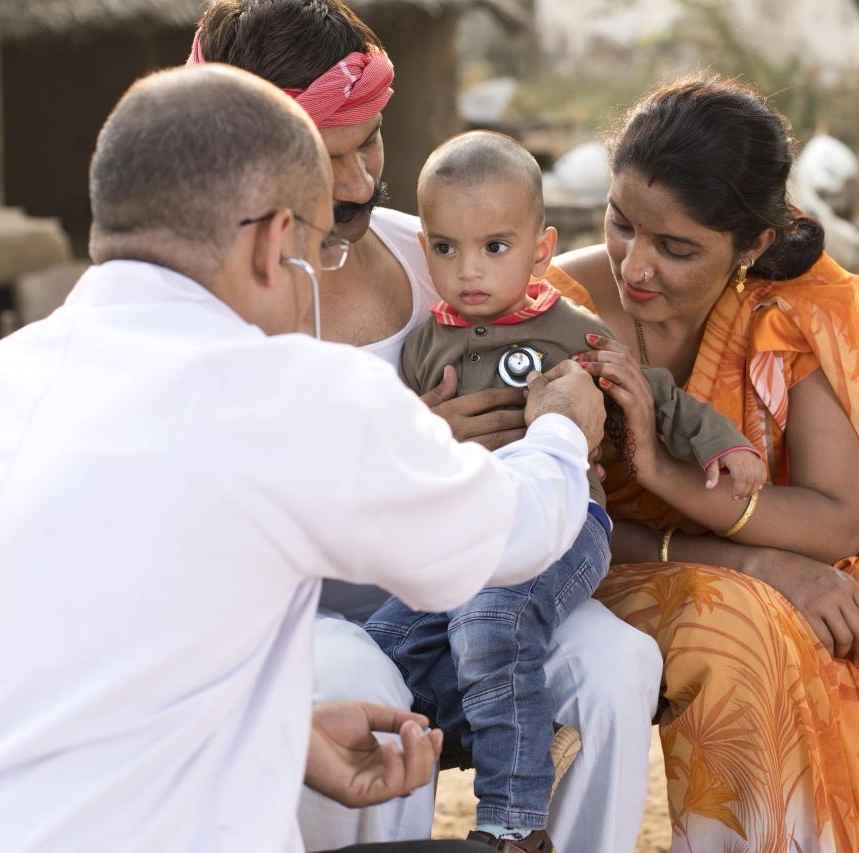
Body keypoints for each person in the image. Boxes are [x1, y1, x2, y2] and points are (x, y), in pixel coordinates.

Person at [0, 64, 607, 852]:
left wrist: (280, 734)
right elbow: (514, 535)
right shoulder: (279, 391)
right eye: (316, 252)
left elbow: (65, 666)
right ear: (276, 244)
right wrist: (563, 428)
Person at [188, 4, 664, 851]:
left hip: (481, 588)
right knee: (358, 678)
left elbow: (565, 331)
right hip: (307, 623)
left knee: (617, 664)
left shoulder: (439, 255)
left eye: (369, 142)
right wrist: (409, 454)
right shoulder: (214, 310)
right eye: (327, 158)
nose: (360, 181)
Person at [550, 73, 859, 852]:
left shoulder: (792, 305)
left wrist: (677, 482)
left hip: (743, 546)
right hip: (596, 565)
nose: (636, 267)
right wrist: (764, 565)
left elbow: (838, 516)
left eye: (676, 248)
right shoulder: (554, 309)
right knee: (746, 621)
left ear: (755, 246)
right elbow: (553, 522)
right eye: (620, 224)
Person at [363, 132, 763, 853]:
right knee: (381, 644)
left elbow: (656, 392)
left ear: (541, 249)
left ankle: (514, 821)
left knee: (493, 616)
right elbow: (392, 449)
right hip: (463, 534)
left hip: (566, 529)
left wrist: (721, 443)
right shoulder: (426, 344)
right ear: (426, 251)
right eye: (447, 250)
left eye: (494, 246)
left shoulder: (569, 331)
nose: (470, 270)